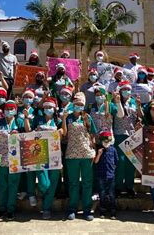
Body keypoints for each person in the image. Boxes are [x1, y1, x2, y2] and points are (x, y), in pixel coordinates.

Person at [24, 97, 63, 219]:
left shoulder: (58, 121)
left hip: (55, 155)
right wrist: (26, 118)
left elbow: (64, 132)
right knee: (44, 183)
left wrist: (62, 130)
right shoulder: (38, 119)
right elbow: (29, 131)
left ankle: (46, 208)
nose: (48, 109)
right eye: (46, 107)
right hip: (39, 154)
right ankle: (42, 193)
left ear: (55, 109)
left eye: (50, 107)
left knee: (53, 182)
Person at [62, 92, 97, 221]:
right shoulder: (69, 117)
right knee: (73, 183)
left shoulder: (87, 117)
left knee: (87, 182)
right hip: (72, 154)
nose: (78, 106)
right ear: (73, 104)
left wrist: (93, 150)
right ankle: (72, 208)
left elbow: (93, 134)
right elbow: (64, 134)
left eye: (81, 104)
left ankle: (87, 209)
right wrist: (64, 119)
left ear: (84, 105)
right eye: (76, 103)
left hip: (86, 154)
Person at [0, 100, 24, 220]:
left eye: (12, 108)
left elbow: (26, 139)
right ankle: (1, 209)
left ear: (15, 110)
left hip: (16, 158)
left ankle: (11, 210)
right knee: (2, 185)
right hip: (2, 156)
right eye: (7, 109)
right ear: (3, 111)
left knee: (13, 185)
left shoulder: (20, 122)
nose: (9, 111)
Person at [113, 81, 139, 197]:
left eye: (128, 89)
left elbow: (138, 117)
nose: (126, 91)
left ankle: (130, 186)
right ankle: (118, 186)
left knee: (131, 162)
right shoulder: (114, 102)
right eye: (124, 89)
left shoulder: (133, 102)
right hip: (119, 133)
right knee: (121, 161)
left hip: (132, 134)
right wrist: (118, 101)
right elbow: (119, 115)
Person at [17, 89, 39, 206]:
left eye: (30, 97)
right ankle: (23, 190)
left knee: (30, 170)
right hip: (18, 141)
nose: (28, 99)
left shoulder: (35, 111)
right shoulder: (17, 110)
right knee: (20, 168)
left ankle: (31, 194)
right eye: (26, 97)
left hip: (30, 142)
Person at [94, 131, 119, 220]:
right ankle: (102, 211)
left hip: (111, 176)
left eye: (107, 141)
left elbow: (116, 162)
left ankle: (113, 212)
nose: (106, 143)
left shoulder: (113, 149)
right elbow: (95, 162)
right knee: (102, 193)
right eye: (104, 141)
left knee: (112, 194)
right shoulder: (99, 150)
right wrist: (99, 154)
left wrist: (113, 170)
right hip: (101, 176)